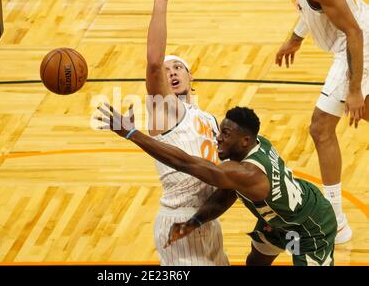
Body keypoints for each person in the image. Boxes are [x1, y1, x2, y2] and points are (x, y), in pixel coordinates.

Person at [96, 104, 337, 266]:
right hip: (281, 218)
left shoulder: (245, 172)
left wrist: (131, 134)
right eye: (220, 131)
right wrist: (196, 221)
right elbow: (227, 194)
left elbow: (184, 162)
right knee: (255, 262)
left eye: (225, 134)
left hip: (311, 227)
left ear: (244, 140)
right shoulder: (254, 144)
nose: (218, 138)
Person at [134, 0, 228, 265]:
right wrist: (161, 1)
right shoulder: (166, 110)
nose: (171, 71)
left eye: (178, 68)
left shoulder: (210, 120)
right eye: (167, 70)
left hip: (207, 219)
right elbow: (152, 62)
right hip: (179, 221)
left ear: (190, 77)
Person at [272, 0, 369, 244]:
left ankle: (336, 223)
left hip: (357, 43)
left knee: (320, 127)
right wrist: (295, 38)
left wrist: (353, 89)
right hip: (353, 40)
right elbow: (310, 8)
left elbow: (354, 32)